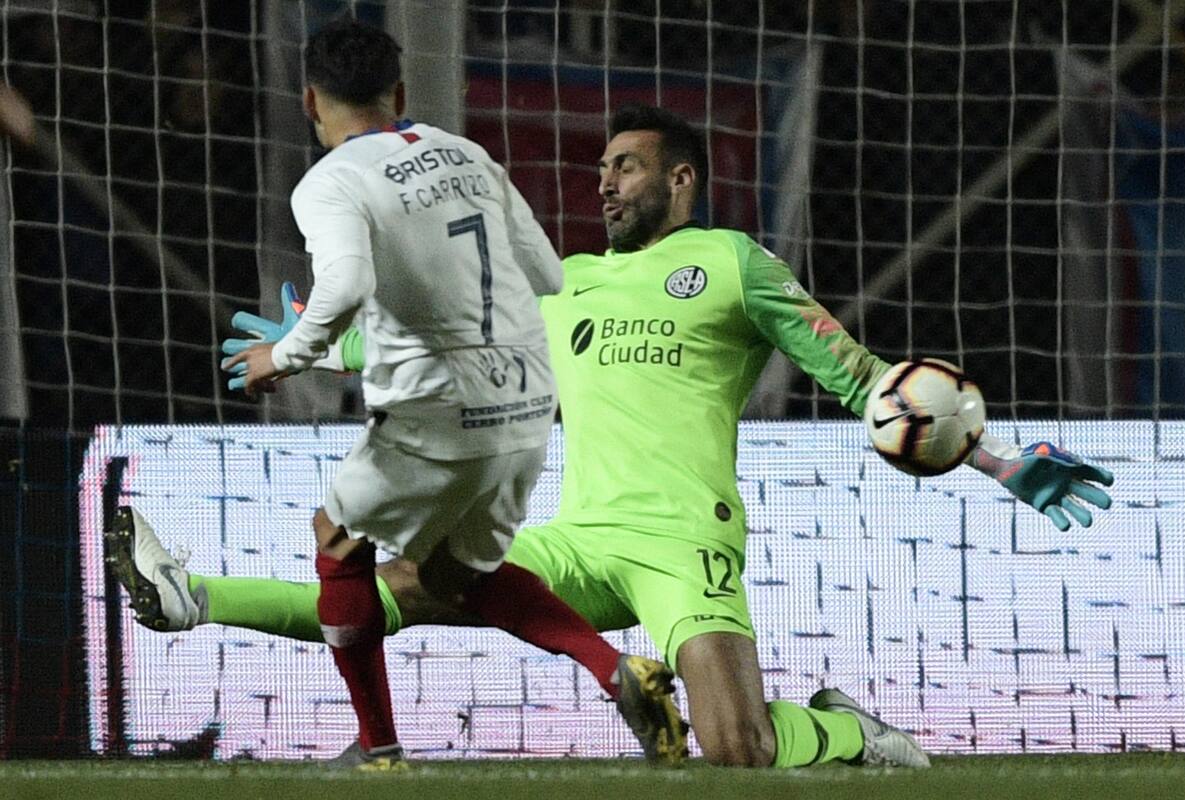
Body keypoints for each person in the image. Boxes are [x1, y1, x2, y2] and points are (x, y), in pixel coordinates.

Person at [113, 102, 1114, 770]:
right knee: (404, 583)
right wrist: (309, 345)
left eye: (625, 167)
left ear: (681, 178)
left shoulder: (731, 260)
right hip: (580, 537)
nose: (603, 184)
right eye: (600, 168)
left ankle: (849, 727)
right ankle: (192, 597)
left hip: (686, 538)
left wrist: (996, 458)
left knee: (734, 749)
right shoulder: (566, 285)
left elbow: (860, 378)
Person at [107, 21, 686, 768]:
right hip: (523, 410)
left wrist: (286, 355)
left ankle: (378, 746)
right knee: (455, 576)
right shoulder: (468, 153)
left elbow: (343, 285)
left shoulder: (331, 180)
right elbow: (547, 274)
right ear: (402, 94)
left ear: (310, 100)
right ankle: (617, 671)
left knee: (337, 540)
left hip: (436, 408)